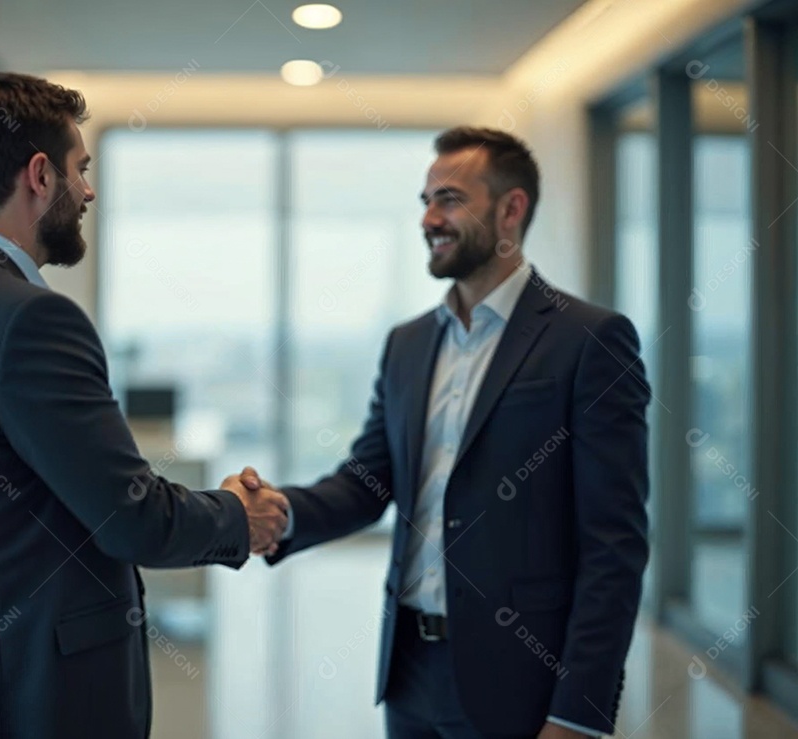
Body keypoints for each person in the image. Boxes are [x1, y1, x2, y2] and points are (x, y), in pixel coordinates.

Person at [0, 72, 287, 739]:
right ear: (39, 174)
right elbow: (134, 517)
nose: (88, 190)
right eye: (80, 169)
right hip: (37, 699)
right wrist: (240, 512)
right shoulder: (34, 321)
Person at [239, 127, 650, 738]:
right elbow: (366, 481)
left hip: (521, 680)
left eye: (450, 199)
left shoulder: (589, 340)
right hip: (408, 671)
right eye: (425, 201)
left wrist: (578, 714)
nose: (429, 218)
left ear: (511, 209)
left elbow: (613, 546)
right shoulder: (407, 344)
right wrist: (281, 511)